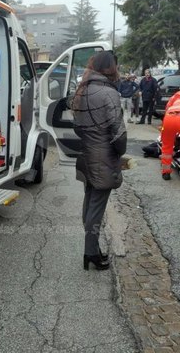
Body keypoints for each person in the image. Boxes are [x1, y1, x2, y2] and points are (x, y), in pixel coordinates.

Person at [72, 51, 127, 271]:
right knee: (96, 207)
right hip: (103, 157)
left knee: (89, 203)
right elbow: (118, 133)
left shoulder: (82, 89)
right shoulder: (108, 93)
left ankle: (91, 249)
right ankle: (91, 253)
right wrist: (120, 153)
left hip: (86, 154)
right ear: (110, 68)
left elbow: (77, 126)